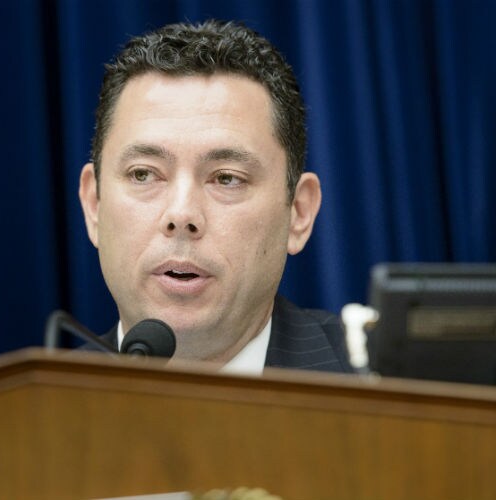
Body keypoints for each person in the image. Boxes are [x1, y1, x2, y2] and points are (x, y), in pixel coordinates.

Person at [78, 19, 353, 375]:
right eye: (143, 174)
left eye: (226, 178)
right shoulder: (28, 403)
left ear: (299, 213)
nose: (181, 214)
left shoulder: (392, 390)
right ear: (94, 205)